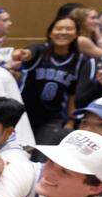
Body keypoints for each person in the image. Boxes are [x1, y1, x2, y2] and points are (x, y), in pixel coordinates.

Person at [16, 16, 88, 144]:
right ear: (50, 33)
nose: (63, 32)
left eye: (69, 29)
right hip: (23, 115)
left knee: (41, 157)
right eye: (59, 28)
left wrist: (71, 121)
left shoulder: (80, 60)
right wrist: (23, 54)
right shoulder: (40, 51)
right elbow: (29, 53)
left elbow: (73, 94)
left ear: (76, 34)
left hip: (52, 120)